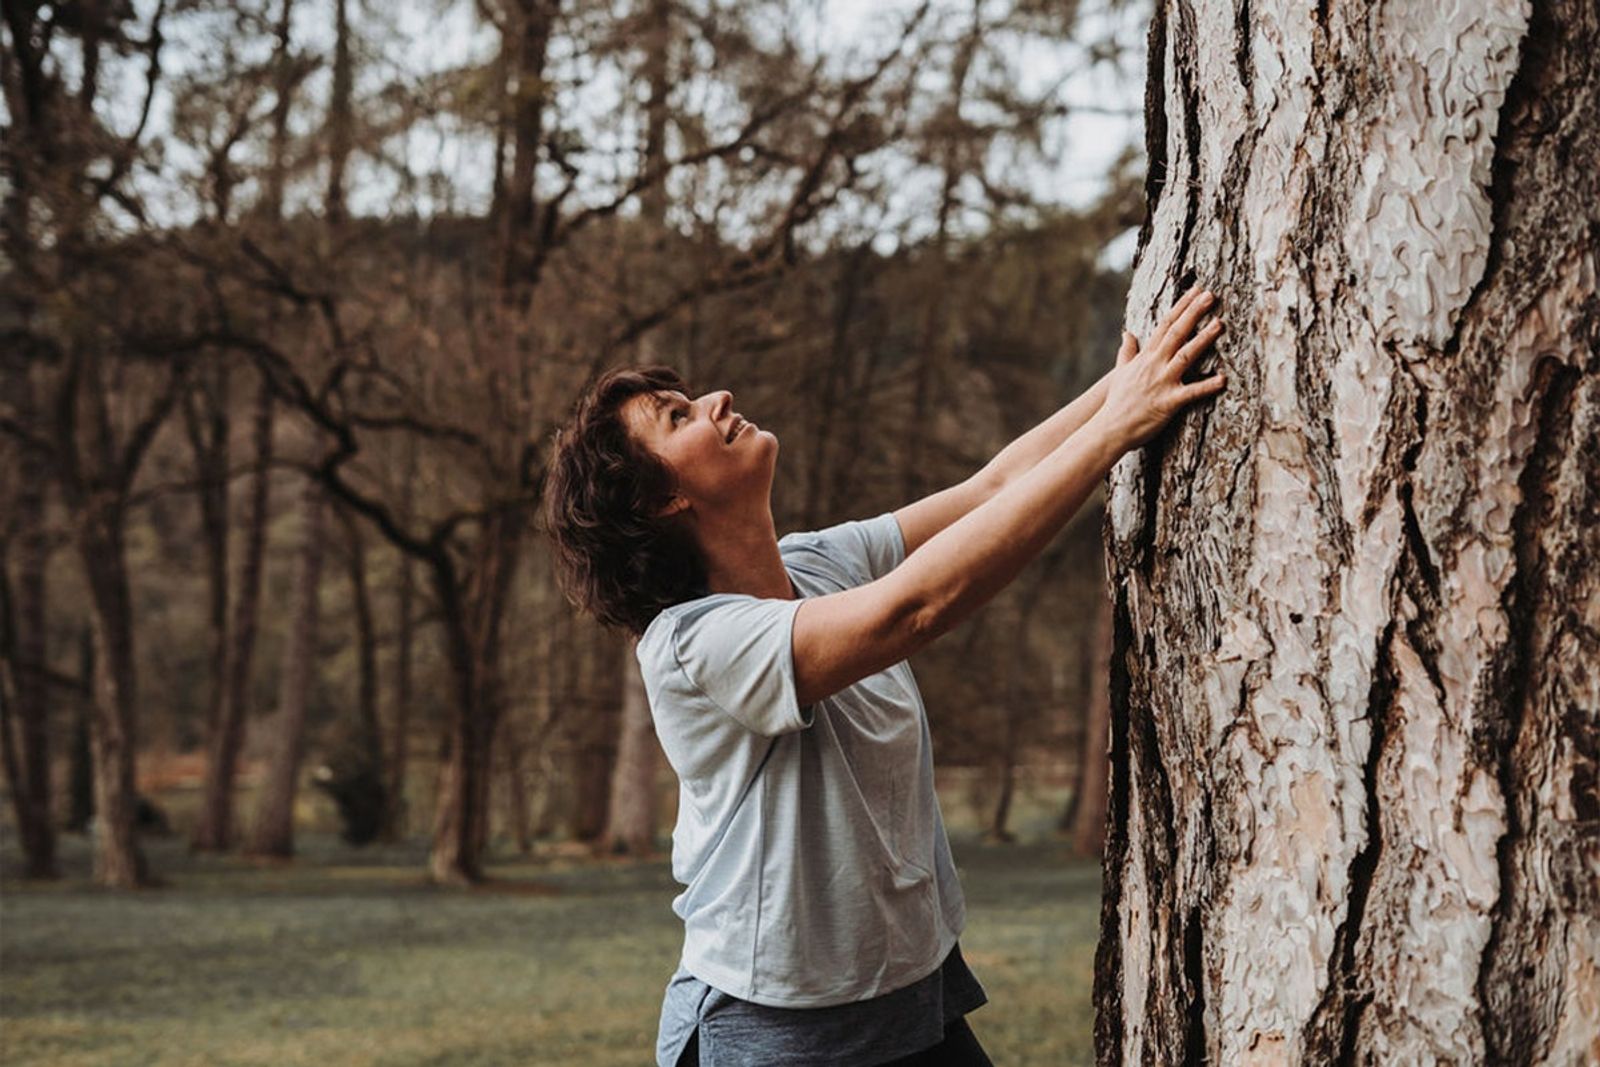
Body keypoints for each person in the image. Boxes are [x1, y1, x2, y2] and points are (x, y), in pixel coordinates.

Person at [543, 285, 1226, 1066]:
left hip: (910, 1000)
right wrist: (1115, 430)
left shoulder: (818, 563)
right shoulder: (692, 645)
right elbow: (914, 609)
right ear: (662, 497)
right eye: (677, 416)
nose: (715, 399)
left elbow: (990, 491)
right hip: (779, 1036)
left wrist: (1138, 373)